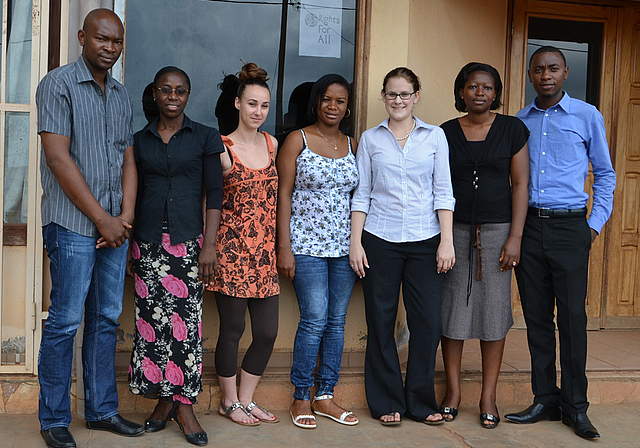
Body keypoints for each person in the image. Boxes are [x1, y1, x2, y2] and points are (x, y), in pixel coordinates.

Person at [35, 8, 144, 448]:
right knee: (63, 322)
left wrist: (125, 220)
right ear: (82, 37)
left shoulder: (120, 95)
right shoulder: (57, 85)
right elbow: (58, 159)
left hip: (115, 227)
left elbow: (129, 161)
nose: (110, 48)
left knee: (104, 318)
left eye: (116, 42)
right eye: (102, 39)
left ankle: (101, 411)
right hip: (73, 225)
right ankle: (54, 418)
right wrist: (102, 219)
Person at [505, 46, 616, 440]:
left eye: (553, 68)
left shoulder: (587, 116)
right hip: (529, 228)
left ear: (565, 71)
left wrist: (594, 225)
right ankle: (545, 399)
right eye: (538, 69)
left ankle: (576, 407)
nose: (545, 75)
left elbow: (605, 174)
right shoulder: (519, 121)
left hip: (571, 229)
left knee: (572, 320)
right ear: (530, 75)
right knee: (536, 319)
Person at [350, 67, 456, 426]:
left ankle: (421, 402)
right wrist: (355, 243)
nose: (398, 101)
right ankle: (386, 401)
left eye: (404, 94)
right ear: (383, 97)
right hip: (379, 239)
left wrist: (446, 241)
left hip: (426, 241)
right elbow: (361, 194)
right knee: (380, 321)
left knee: (426, 322)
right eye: (391, 94)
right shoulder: (370, 139)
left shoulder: (435, 137)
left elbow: (443, 191)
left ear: (416, 96)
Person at [128, 66, 224, 446]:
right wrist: (132, 242)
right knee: (152, 325)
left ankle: (185, 405)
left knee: (186, 327)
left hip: (188, 243)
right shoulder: (140, 140)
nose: (172, 96)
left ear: (188, 95)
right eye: (165, 90)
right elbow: (133, 191)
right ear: (154, 93)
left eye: (180, 90)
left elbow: (215, 193)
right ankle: (163, 402)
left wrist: (210, 244)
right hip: (147, 243)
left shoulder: (205, 137)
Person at [439, 63, 529, 429]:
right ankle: (453, 391)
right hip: (453, 233)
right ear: (461, 91)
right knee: (452, 313)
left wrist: (516, 237)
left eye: (487, 87)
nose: (479, 92)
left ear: (496, 93)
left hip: (498, 234)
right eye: (472, 86)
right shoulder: (443, 132)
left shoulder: (512, 129)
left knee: (493, 313)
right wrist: (443, 237)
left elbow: (521, 184)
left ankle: (488, 394)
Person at [277, 74, 360, 429]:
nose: (332, 106)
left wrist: (358, 245)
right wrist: (284, 246)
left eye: (339, 101)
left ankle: (325, 395)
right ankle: (300, 396)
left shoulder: (353, 144)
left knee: (336, 322)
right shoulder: (298, 140)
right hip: (306, 244)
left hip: (344, 248)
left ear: (347, 107)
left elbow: (360, 197)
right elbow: (282, 194)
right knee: (314, 320)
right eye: (326, 99)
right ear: (316, 102)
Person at [207, 62, 280, 426]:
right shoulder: (222, 148)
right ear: (237, 104)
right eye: (252, 104)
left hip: (264, 254)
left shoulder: (272, 143)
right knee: (232, 331)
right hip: (231, 253)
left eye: (264, 106)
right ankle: (229, 400)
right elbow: (211, 203)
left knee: (268, 331)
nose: (258, 112)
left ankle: (247, 399)